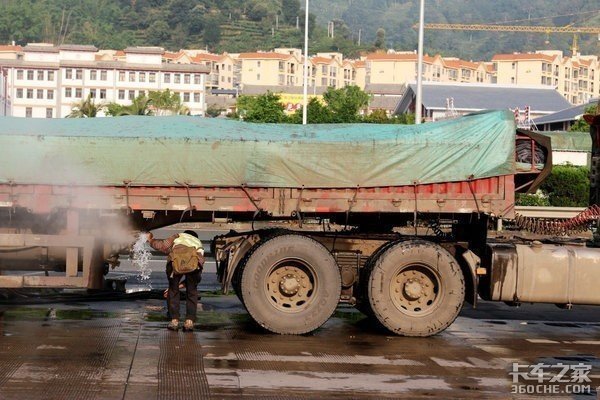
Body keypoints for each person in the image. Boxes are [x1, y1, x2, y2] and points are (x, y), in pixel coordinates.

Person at [147, 230, 204, 331]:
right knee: (192, 291)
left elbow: (162, 245)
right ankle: (189, 321)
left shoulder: (179, 236)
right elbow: (199, 266)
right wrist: (183, 285)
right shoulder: (198, 243)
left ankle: (174, 321)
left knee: (173, 291)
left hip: (175, 263)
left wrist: (150, 240)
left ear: (185, 233)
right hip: (194, 264)